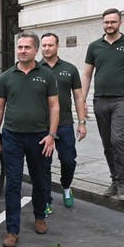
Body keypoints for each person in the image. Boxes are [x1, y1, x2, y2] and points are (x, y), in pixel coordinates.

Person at [0, 32, 59, 247]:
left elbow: (54, 106)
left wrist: (51, 135)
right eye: (19, 47)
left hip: (39, 137)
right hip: (12, 136)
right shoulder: (7, 77)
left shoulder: (47, 75)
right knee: (12, 183)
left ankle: (40, 216)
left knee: (40, 180)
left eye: (27, 47)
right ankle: (12, 230)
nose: (22, 51)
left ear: (36, 50)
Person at [81, 8, 124, 202]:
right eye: (106, 22)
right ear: (103, 23)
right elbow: (86, 75)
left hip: (122, 99)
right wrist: (82, 100)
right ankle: (114, 180)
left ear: (120, 22)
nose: (109, 25)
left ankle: (122, 183)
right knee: (107, 143)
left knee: (118, 139)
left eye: (113, 22)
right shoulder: (94, 46)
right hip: (100, 100)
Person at [40, 33, 87, 214]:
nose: (47, 48)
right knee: (43, 165)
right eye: (44, 45)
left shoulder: (70, 69)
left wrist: (82, 122)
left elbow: (78, 96)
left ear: (57, 46)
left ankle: (66, 187)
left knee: (68, 161)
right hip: (42, 126)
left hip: (65, 124)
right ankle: (45, 200)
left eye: (50, 45)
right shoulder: (36, 68)